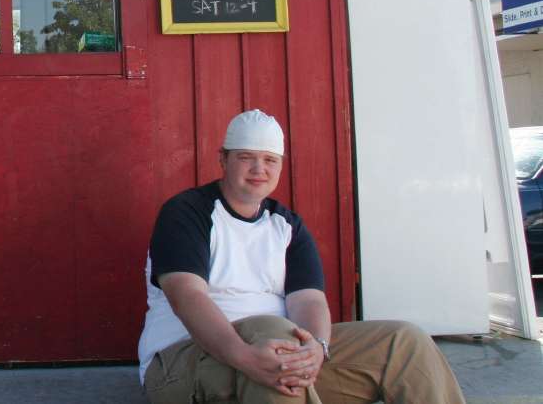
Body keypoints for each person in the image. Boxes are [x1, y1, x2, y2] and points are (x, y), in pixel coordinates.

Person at [138, 109, 466, 404]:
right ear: (223, 159)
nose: (258, 169)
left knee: (404, 341)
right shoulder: (186, 213)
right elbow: (188, 297)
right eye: (245, 157)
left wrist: (317, 348)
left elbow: (308, 300)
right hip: (185, 362)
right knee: (276, 338)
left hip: (278, 352)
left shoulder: (287, 226)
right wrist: (245, 355)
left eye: (269, 160)